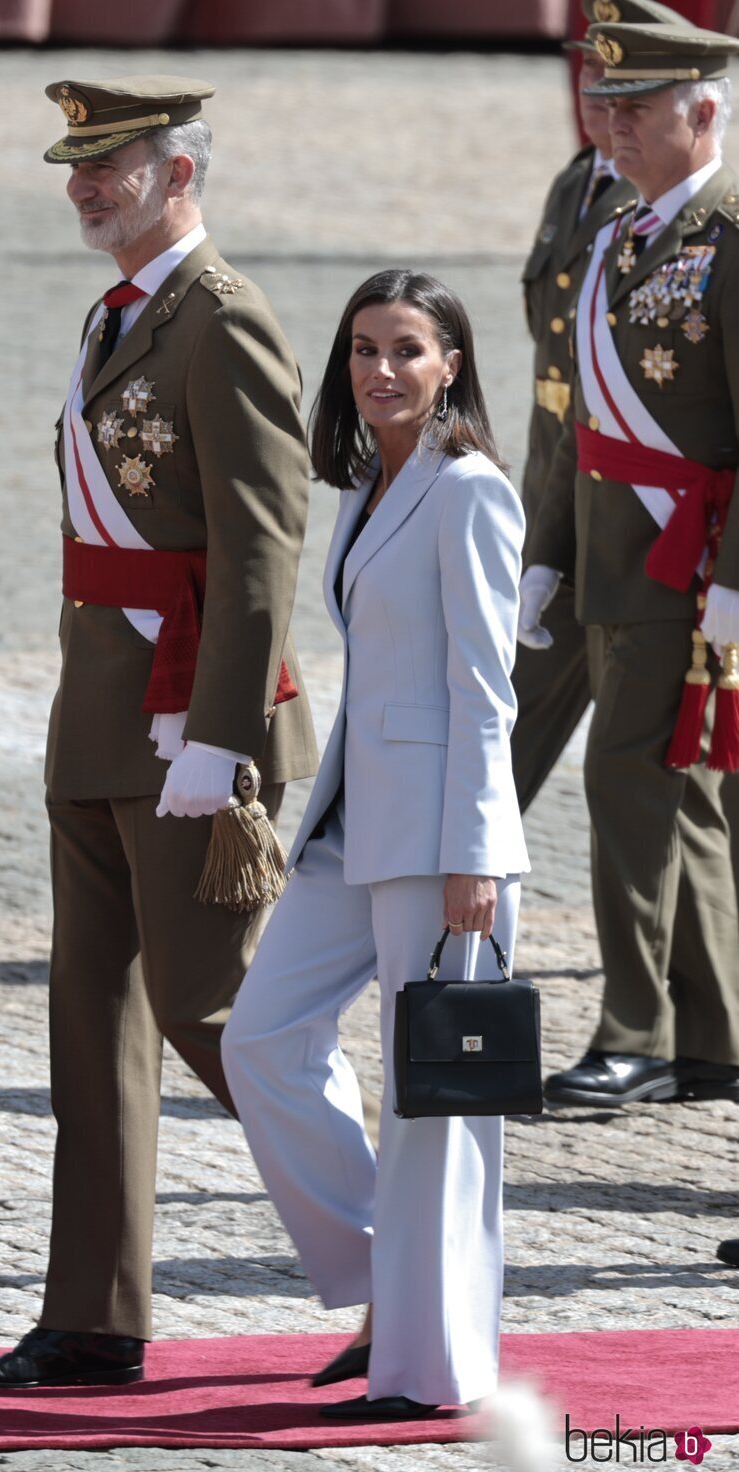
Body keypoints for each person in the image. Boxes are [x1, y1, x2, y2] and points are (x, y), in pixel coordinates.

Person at [0, 76, 317, 1389]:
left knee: (218, 1019)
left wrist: (225, 739)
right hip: (102, 719)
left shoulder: (219, 321)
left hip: (186, 734)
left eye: (115, 166)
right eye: (78, 168)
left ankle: (408, 1250)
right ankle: (95, 1315)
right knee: (91, 1026)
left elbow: (265, 542)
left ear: (183, 173)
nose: (86, 187)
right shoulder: (120, 317)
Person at [222, 270, 529, 1422]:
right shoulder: (363, 488)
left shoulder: (468, 491)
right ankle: (378, 1273)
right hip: (355, 818)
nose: (380, 370)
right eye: (362, 347)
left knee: (434, 1098)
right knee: (261, 1037)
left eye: (407, 348)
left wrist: (476, 854)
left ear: (451, 362)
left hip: (441, 834)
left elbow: (485, 688)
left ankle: (425, 1365)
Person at [522, 21, 739, 1108]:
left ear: (703, 111)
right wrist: (545, 556)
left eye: (635, 108)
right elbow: (579, 418)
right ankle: (707, 1035)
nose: (609, 125)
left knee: (629, 786)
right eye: (604, 106)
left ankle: (635, 1027)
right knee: (677, 795)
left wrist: (733, 583)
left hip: (685, 563)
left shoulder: (727, 234)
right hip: (613, 555)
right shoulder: (614, 228)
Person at [512, 0, 683, 812]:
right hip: (557, 494)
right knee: (502, 724)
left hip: (635, 523)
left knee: (657, 765)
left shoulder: (656, 209)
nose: (595, 94)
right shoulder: (575, 182)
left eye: (618, 81)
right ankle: (442, 911)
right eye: (587, 68)